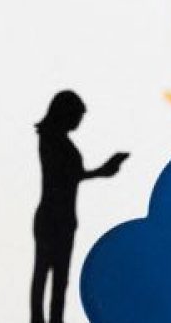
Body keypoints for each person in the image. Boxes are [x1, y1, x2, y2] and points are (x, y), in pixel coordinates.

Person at [30, 91, 129, 323]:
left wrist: (101, 171)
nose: (78, 121)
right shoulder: (52, 139)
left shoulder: (58, 140)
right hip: (53, 216)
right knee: (45, 271)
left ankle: (54, 318)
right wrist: (101, 171)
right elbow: (65, 175)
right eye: (77, 116)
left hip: (63, 216)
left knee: (59, 276)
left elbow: (72, 175)